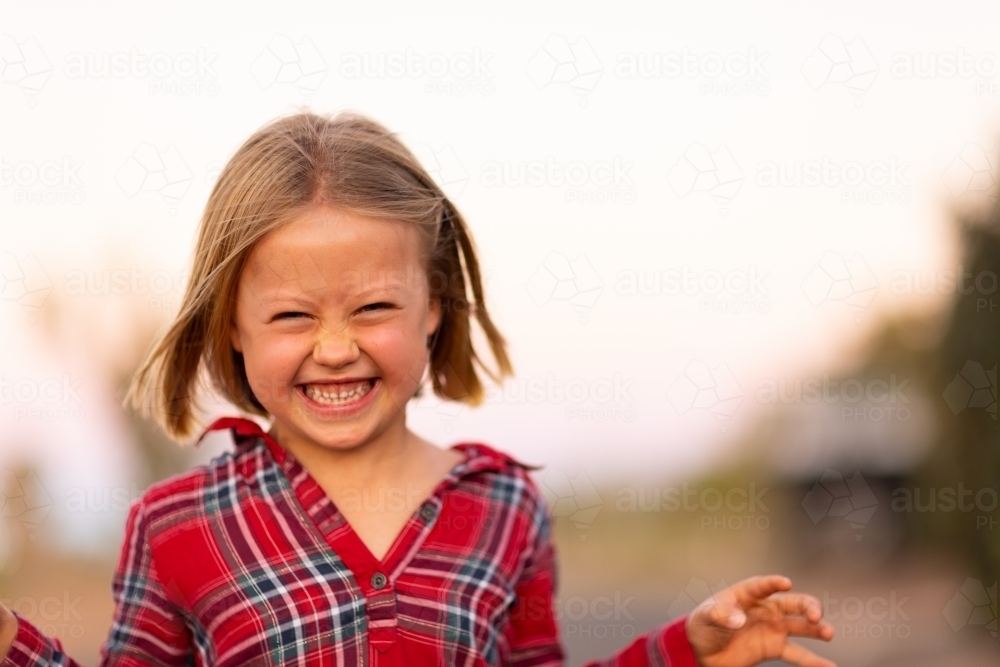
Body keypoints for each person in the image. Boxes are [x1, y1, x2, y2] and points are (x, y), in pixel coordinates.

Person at [0, 112, 836, 667]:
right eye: (292, 314)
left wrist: (684, 647)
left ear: (434, 304)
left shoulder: (504, 504)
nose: (335, 347)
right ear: (231, 327)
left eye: (373, 307)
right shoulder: (175, 525)